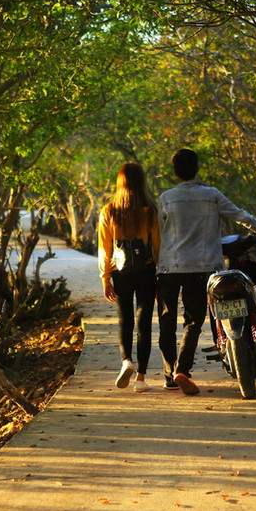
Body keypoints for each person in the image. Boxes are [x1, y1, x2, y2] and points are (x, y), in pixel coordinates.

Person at [156, 148, 256, 396]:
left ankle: (170, 375)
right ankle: (183, 370)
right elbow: (241, 215)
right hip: (203, 267)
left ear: (175, 172)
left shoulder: (166, 198)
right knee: (194, 321)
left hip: (169, 267)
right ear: (197, 169)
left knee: (167, 322)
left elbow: (159, 233)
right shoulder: (211, 195)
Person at [98, 162, 161, 392]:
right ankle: (141, 379)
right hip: (146, 271)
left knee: (125, 321)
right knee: (144, 323)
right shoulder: (150, 209)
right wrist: (160, 276)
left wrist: (105, 278)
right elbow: (157, 246)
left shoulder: (109, 210)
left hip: (120, 273)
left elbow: (104, 248)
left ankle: (126, 362)